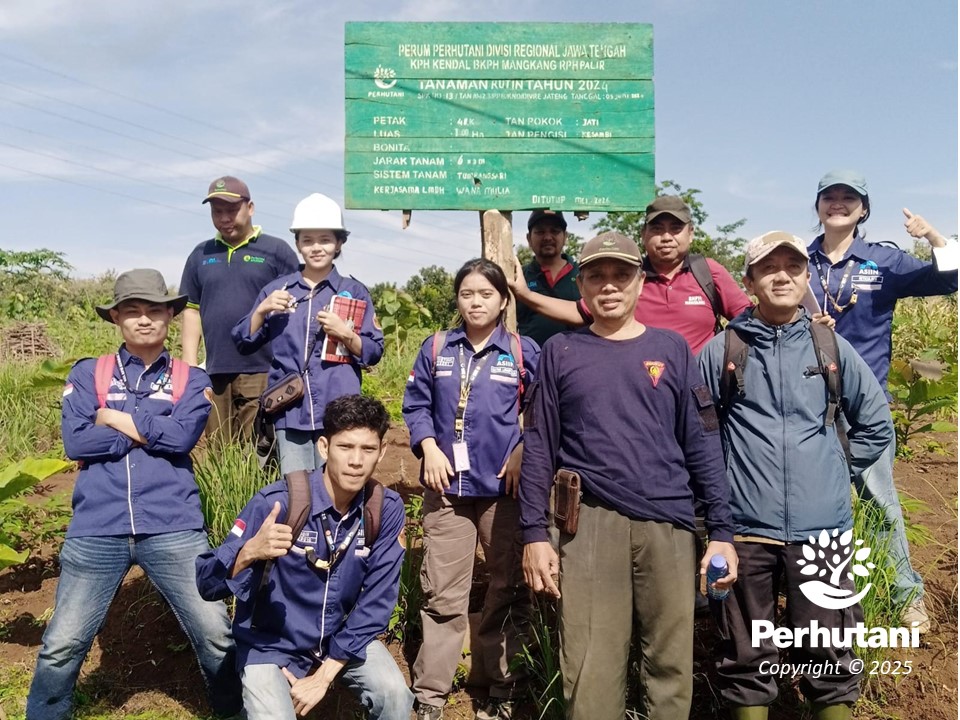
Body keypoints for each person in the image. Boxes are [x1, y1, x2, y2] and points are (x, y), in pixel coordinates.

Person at [519, 232, 738, 720]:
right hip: (589, 525)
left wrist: (721, 532)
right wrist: (534, 534)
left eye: (621, 275)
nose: (609, 286)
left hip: (669, 525)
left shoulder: (672, 349)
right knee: (590, 666)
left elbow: (702, 442)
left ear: (640, 283)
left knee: (670, 665)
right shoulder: (560, 351)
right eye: (597, 275)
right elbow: (539, 446)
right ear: (581, 286)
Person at [27, 269, 241, 720]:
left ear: (169, 316)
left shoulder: (191, 378)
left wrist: (114, 418)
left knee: (216, 635)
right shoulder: (89, 372)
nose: (144, 319)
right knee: (62, 644)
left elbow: (182, 439)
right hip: (97, 527)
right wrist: (150, 431)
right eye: (133, 310)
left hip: (173, 525)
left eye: (154, 310)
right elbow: (76, 442)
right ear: (117, 318)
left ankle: (233, 713)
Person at [698, 231, 895, 720]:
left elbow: (875, 424)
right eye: (768, 268)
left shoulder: (830, 346)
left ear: (806, 277)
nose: (781, 276)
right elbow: (696, 434)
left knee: (829, 652)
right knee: (745, 655)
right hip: (744, 530)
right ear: (749, 282)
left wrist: (833, 472)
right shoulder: (722, 350)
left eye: (792, 267)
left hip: (821, 531)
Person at [195, 395, 412, 720]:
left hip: (340, 638)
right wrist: (249, 551)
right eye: (345, 447)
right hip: (269, 644)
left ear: (381, 451)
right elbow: (206, 583)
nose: (356, 461)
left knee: (395, 696)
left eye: (367, 449)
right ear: (324, 447)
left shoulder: (384, 509)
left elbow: (378, 601)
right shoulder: (278, 503)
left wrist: (323, 676)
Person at [808, 170, 958, 631]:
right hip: (807, 400)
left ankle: (907, 596)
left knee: (879, 503)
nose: (838, 203)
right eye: (829, 196)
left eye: (848, 197)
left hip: (865, 403)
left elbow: (949, 280)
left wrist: (932, 236)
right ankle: (818, 595)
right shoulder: (799, 260)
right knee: (809, 500)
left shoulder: (884, 261)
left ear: (864, 209)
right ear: (818, 206)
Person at [403, 258, 539, 720]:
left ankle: (504, 688)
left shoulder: (522, 351)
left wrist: (523, 447)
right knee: (442, 593)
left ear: (503, 301)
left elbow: (543, 409)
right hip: (446, 490)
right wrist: (428, 446)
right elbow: (416, 404)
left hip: (504, 491)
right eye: (467, 294)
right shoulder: (437, 347)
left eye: (486, 294)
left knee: (508, 588)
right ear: (457, 299)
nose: (476, 302)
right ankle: (431, 695)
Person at [232, 193, 384, 474]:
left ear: (339, 243)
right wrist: (261, 310)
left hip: (341, 412)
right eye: (307, 240)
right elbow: (243, 341)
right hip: (290, 411)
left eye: (325, 240)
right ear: (298, 244)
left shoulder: (354, 292)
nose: (316, 247)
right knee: (298, 488)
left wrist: (345, 333)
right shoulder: (277, 291)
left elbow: (374, 352)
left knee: (339, 485)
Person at [509, 195, 753, 354]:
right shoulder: (628, 277)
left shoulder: (708, 272)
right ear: (644, 234)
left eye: (675, 229)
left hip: (698, 392)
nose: (666, 237)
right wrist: (524, 294)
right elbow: (579, 311)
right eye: (657, 229)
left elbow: (750, 320)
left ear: (690, 233)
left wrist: (727, 360)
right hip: (638, 388)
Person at [180, 176, 299, 443]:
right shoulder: (200, 255)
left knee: (258, 447)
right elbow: (191, 311)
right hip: (214, 371)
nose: (224, 218)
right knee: (217, 447)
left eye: (232, 210)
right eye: (217, 211)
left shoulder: (276, 251)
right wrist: (190, 366)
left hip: (262, 369)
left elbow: (295, 308)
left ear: (250, 208)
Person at [516, 209, 582, 346]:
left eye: (555, 231)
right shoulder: (518, 277)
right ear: (529, 239)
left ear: (565, 237)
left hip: (576, 356)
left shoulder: (584, 276)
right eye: (540, 232)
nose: (547, 237)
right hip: (530, 357)